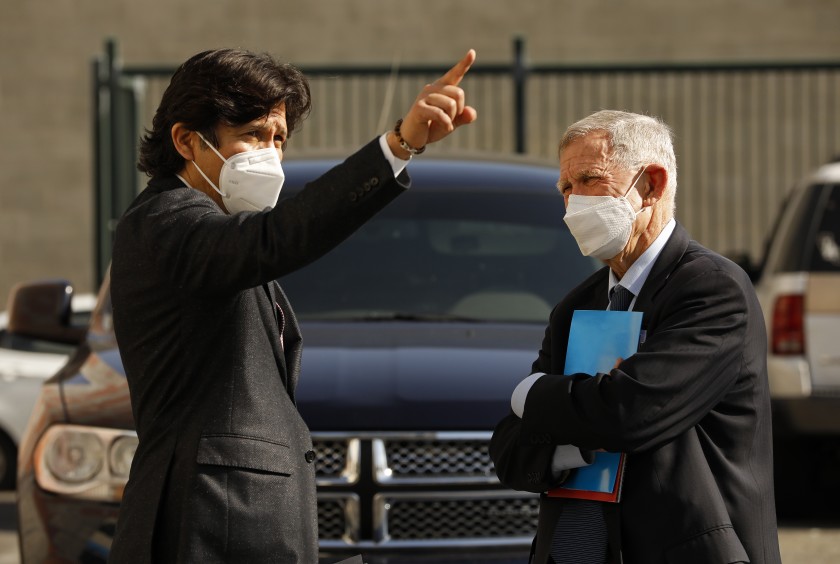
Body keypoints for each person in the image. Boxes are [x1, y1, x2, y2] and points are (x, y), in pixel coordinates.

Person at [108, 47, 477, 563]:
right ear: (187, 140)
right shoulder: (167, 219)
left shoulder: (216, 230)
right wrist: (399, 145)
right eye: (253, 135)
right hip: (205, 525)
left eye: (278, 138)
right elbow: (280, 238)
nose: (271, 154)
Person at [489, 110, 781, 564]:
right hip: (573, 550)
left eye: (589, 179)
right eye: (566, 188)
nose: (573, 203)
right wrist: (586, 420)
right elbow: (509, 451)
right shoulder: (574, 307)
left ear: (652, 185)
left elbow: (631, 414)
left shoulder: (712, 289)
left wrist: (533, 395)